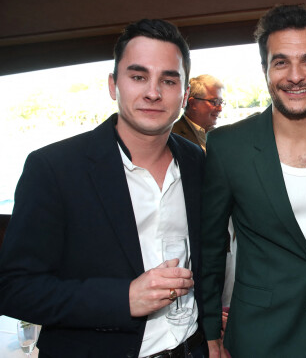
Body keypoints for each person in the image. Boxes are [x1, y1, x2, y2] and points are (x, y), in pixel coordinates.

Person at [0, 19, 208, 358]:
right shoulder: (54, 168)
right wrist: (123, 299)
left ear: (184, 94)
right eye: (138, 76)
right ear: (113, 85)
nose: (153, 92)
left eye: (168, 80)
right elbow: (15, 289)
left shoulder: (196, 161)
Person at [200, 4, 306, 358]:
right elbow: (211, 248)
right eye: (281, 62)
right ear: (265, 70)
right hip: (262, 334)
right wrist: (210, 330)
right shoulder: (229, 146)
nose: (295, 76)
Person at [172, 74, 225, 151]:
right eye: (214, 102)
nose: (220, 109)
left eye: (220, 102)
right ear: (193, 103)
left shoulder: (219, 135)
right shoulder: (172, 136)